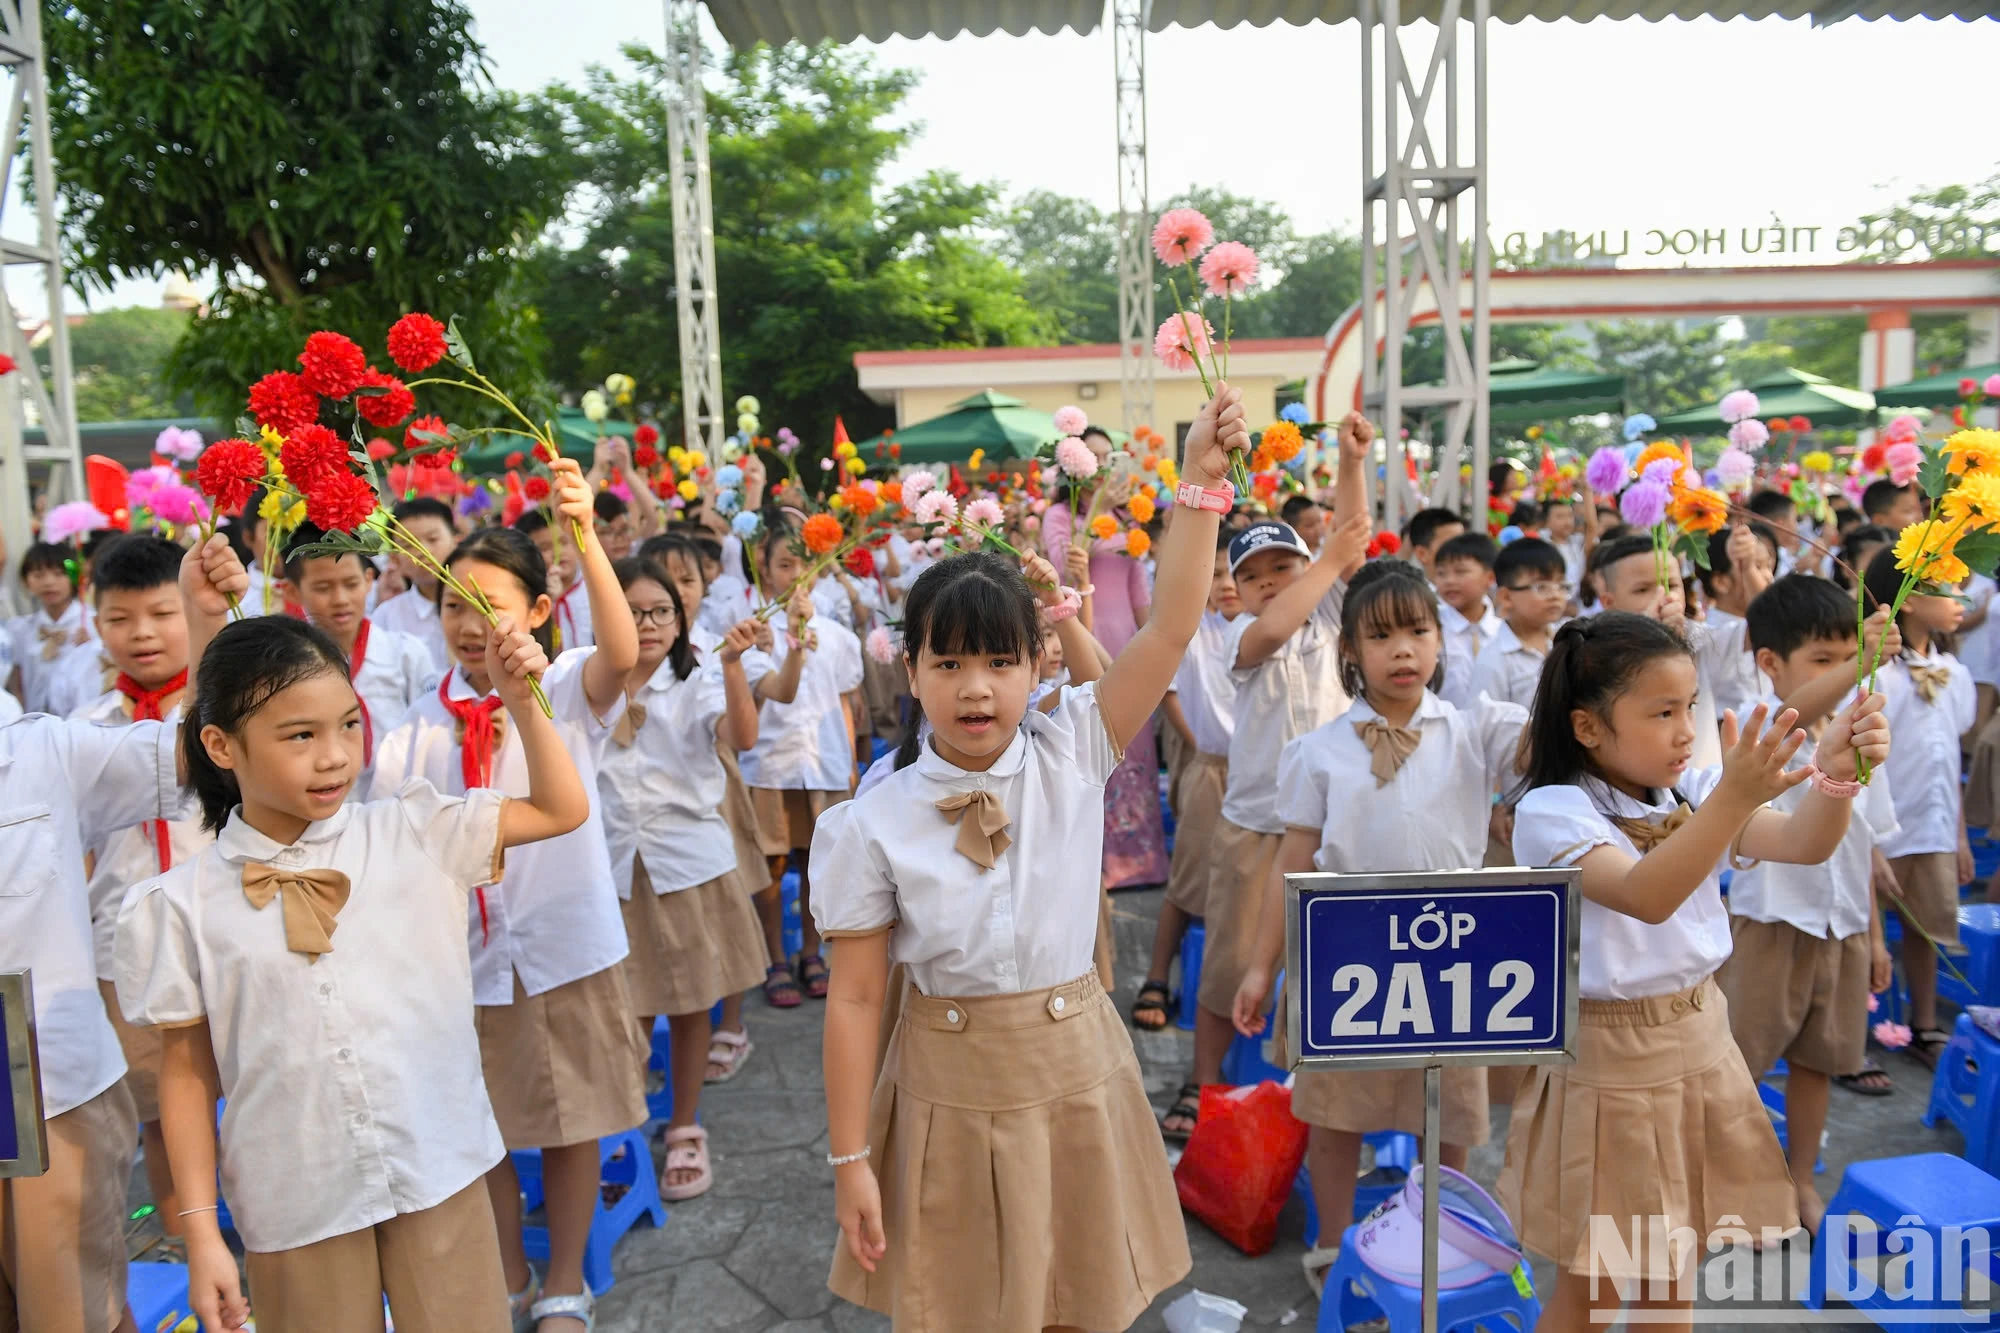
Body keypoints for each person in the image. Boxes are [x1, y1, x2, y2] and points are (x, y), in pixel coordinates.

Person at [810, 384, 1251, 1333]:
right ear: (912, 668)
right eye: (949, 664)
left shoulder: (1074, 747)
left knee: (1080, 1302)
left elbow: (1171, 624)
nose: (976, 689)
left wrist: (1201, 490)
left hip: (1077, 1071)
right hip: (944, 1088)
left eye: (1001, 662)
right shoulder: (872, 819)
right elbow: (852, 998)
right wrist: (851, 1160)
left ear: (1038, 664)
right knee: (964, 1308)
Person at [122, 590, 586, 1333]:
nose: (334, 755)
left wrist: (520, 700)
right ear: (220, 746)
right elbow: (185, 1071)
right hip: (294, 1192)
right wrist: (202, 1232)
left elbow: (563, 809)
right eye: (299, 735)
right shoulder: (179, 904)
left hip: (439, 1161)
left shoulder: (416, 829)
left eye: (346, 725)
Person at [1502, 612, 1889, 1332]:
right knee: (1595, 1287)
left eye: (1690, 708)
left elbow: (1803, 842)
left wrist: (1837, 778)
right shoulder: (1552, 810)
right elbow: (1648, 894)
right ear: (1587, 727)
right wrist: (1734, 798)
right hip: (1611, 1062)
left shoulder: (1694, 790)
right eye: (1661, 712)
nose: (1685, 729)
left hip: (1702, 1040)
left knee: (1670, 1281)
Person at [369, 458, 642, 1333]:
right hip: (460, 964)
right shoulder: (414, 724)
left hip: (560, 944)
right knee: (477, 1125)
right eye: (454, 605)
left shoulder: (564, 690)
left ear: (535, 611)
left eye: (491, 604)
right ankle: (510, 1271)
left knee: (571, 1118)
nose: (471, 623)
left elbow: (624, 650)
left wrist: (587, 536)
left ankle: (566, 1276)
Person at [1232, 561, 1525, 1290]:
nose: (1403, 649)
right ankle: (1335, 1246)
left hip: (1453, 963)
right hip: (1350, 962)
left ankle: (1439, 1235)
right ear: (1350, 650)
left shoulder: (1472, 729)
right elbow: (1289, 867)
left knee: (1449, 1115)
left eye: (1418, 631)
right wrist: (1261, 965)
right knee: (1337, 1115)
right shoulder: (1320, 751)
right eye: (1382, 634)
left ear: (1438, 642)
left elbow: (1540, 742)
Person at [0, 532, 239, 1333]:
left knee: (68, 1305)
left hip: (44, 1081)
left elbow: (196, 758)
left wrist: (206, 623)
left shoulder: (41, 747)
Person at [1159, 414, 1373, 1141]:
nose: (1268, 583)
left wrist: (1350, 461)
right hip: (1255, 826)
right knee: (1226, 970)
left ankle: (1318, 1099)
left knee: (1331, 969)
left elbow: (1350, 540)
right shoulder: (1242, 641)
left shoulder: (1334, 619)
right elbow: (1284, 617)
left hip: (1336, 825)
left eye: (1282, 566)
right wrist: (1323, 559)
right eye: (1249, 576)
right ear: (1237, 593)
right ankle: (1206, 1084)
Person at [1719, 576, 1900, 1231]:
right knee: (1741, 1063)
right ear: (1769, 662)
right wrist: (1860, 664)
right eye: (1823, 659)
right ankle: (1737, 1181)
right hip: (1773, 921)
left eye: (1846, 657)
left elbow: (1866, 844)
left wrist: (1876, 937)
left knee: (1818, 1063)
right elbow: (1793, 710)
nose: (1842, 675)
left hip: (1845, 922)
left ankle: (1799, 1181)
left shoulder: (1859, 728)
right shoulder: (1757, 726)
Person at [598, 555, 770, 1199]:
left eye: (660, 611)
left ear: (679, 618)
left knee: (693, 999)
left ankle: (684, 1124)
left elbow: (742, 737)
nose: (646, 624)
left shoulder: (696, 678)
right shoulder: (583, 681)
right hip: (612, 865)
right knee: (628, 1002)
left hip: (685, 859)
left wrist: (730, 668)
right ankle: (626, 1119)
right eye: (632, 610)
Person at [70, 534, 212, 1267]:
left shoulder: (225, 707)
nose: (143, 634)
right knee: (159, 1112)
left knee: (256, 1099)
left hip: (224, 933)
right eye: (121, 619)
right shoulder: (84, 729)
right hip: (124, 950)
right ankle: (189, 1244)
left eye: (161, 612)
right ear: (97, 624)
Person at [636, 531, 795, 1051]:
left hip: (717, 783)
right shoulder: (619, 652)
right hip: (650, 809)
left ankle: (730, 1022)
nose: (678, 591)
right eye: (664, 579)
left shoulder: (718, 642)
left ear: (706, 582)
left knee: (726, 904)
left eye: (687, 579)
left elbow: (768, 702)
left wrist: (784, 650)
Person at [739, 520, 864, 1003]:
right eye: (782, 565)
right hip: (770, 765)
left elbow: (848, 704)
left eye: (803, 564)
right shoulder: (756, 632)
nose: (794, 575)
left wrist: (851, 760)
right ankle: (774, 957)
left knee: (820, 863)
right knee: (770, 863)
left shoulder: (836, 636)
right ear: (765, 572)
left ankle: (813, 952)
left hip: (826, 762)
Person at [1862, 545, 1976, 1071]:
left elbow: (1949, 761)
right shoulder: (1876, 676)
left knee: (1925, 930)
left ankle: (1924, 1023)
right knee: (1864, 933)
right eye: (1944, 586)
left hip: (1932, 826)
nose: (1960, 597)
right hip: (1878, 827)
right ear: (1907, 601)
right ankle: (1852, 1033)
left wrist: (1958, 837)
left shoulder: (1954, 672)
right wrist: (1868, 840)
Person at [1132, 530, 1241, 1031]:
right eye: (1216, 573)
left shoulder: (1277, 631)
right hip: (1212, 766)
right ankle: (1157, 975)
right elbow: (1170, 693)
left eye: (1236, 572)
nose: (1227, 584)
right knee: (1189, 879)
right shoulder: (1197, 632)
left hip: (1267, 776)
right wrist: (1197, 748)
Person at [280, 525, 436, 787]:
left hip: (398, 803)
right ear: (292, 591)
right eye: (322, 588)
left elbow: (429, 734)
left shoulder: (406, 653)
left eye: (351, 584)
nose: (340, 599)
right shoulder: (286, 665)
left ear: (368, 579)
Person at [1468, 536, 1567, 710]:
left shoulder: (1566, 642)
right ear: (1506, 597)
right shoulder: (1494, 659)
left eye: (1561, 585)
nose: (1555, 595)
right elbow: (1485, 724)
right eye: (1542, 587)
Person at [1693, 524, 1778, 726]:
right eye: (1758, 567)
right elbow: (1768, 618)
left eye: (1768, 566)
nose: (1768, 577)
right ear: (1721, 582)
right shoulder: (1709, 636)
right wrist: (1747, 567)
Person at [370, 497, 458, 671]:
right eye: (409, 545)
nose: (423, 552)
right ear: (395, 559)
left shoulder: (486, 605)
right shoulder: (386, 618)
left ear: (456, 542)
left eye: (432, 539)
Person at [8, 539, 96, 711]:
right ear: (26, 581)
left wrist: (89, 648)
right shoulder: (20, 629)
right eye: (38, 575)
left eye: (58, 574)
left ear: (74, 578)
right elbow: (17, 683)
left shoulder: (92, 623)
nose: (48, 582)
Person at [1432, 530, 1501, 708]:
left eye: (1460, 572)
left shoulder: (1503, 631)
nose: (1449, 581)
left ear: (1490, 577)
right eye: (1441, 573)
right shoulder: (1432, 627)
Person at [516, 508, 591, 652]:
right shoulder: (528, 598)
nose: (558, 552)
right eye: (544, 548)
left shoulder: (593, 587)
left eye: (564, 542)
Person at [1402, 506, 1465, 582]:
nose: (1463, 551)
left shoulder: (1477, 591)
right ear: (1422, 554)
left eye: (1464, 543)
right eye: (1451, 545)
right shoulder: (1412, 593)